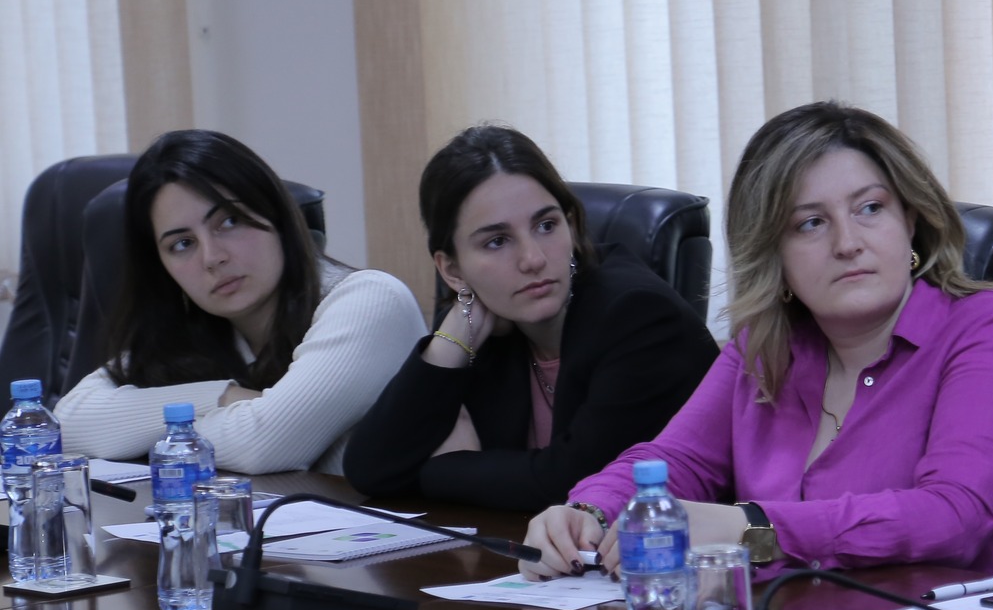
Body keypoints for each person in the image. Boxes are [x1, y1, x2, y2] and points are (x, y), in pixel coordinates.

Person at [524, 101, 993, 582]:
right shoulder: (767, 346)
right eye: (810, 223)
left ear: (911, 221)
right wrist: (590, 511)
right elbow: (676, 460)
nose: (848, 243)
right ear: (773, 254)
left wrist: (751, 528)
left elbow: (953, 516)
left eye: (870, 208)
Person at [344, 126, 718, 511]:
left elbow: (576, 483)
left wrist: (448, 466)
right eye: (497, 241)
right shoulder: (483, 322)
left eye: (546, 226)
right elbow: (372, 470)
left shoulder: (639, 316)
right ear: (453, 270)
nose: (533, 259)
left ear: (572, 225)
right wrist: (448, 344)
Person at [55, 130, 423, 474]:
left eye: (229, 221)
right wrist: (222, 396)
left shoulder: (371, 300)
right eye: (182, 244)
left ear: (276, 213)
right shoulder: (192, 329)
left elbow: (262, 444)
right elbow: (67, 423)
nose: (212, 257)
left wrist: (151, 430)